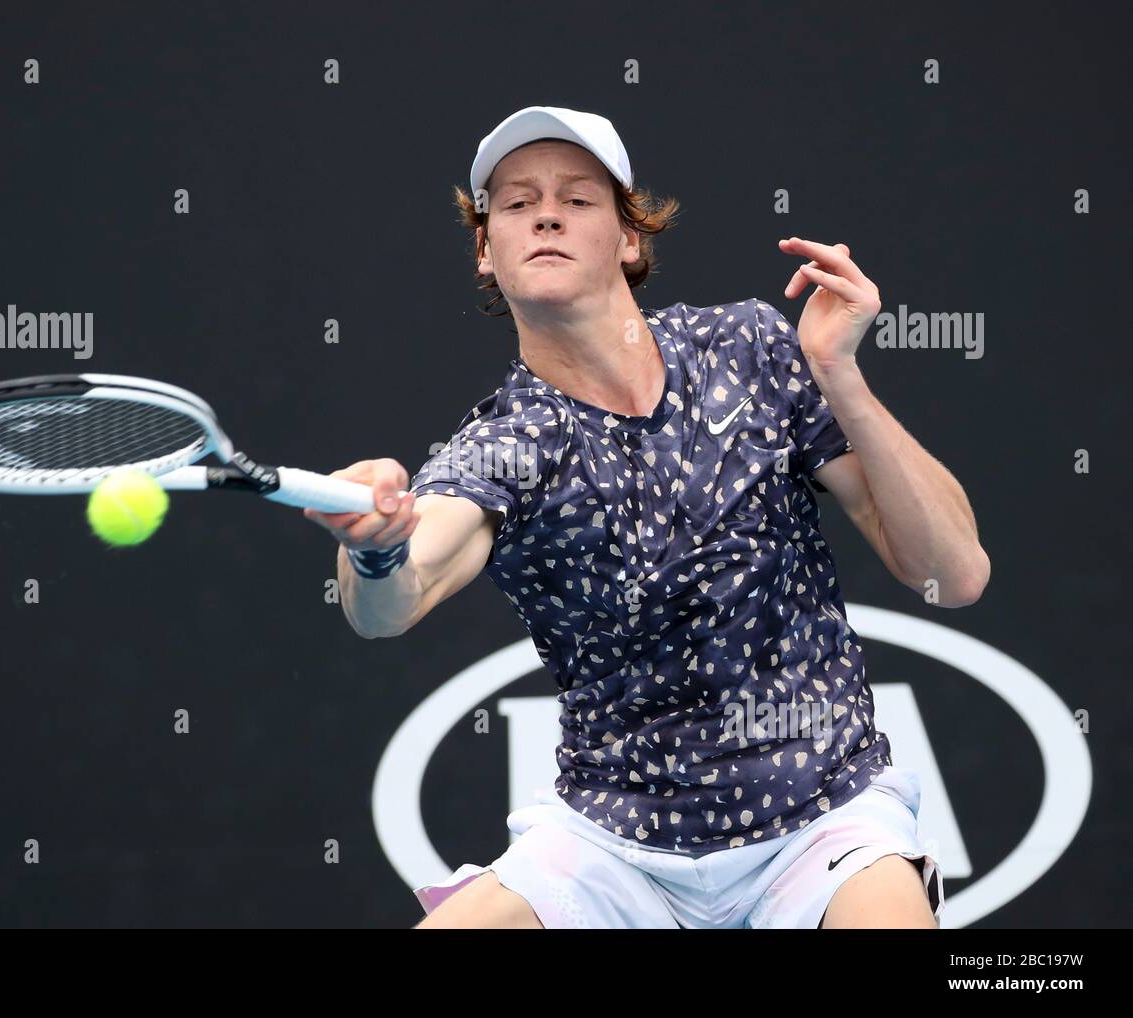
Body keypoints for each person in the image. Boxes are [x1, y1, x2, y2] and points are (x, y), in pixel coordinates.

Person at [304, 106, 989, 928]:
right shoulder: (505, 447)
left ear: (630, 239)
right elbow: (392, 605)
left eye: (578, 199)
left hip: (825, 817)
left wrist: (839, 374)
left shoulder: (749, 348)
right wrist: (375, 553)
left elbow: (953, 576)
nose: (546, 213)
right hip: (610, 844)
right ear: (486, 252)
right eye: (516, 204)